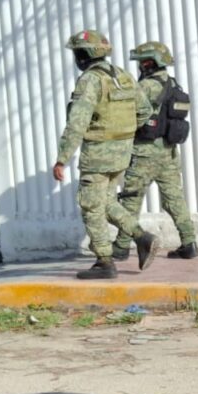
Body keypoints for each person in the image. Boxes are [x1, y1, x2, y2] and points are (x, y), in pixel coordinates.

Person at [53, 30, 160, 279]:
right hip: (121, 153)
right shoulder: (122, 75)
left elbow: (77, 122)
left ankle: (104, 262)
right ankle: (142, 237)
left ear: (84, 55)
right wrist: (124, 133)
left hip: (98, 155)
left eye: (78, 52)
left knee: (91, 206)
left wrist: (62, 158)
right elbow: (144, 110)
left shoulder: (90, 80)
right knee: (106, 202)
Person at [112, 41, 198, 261]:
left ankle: (121, 248)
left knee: (131, 199)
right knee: (174, 199)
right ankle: (189, 243)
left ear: (149, 62)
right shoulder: (173, 85)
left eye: (142, 62)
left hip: (144, 153)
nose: (140, 66)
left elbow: (123, 110)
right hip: (168, 153)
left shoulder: (146, 86)